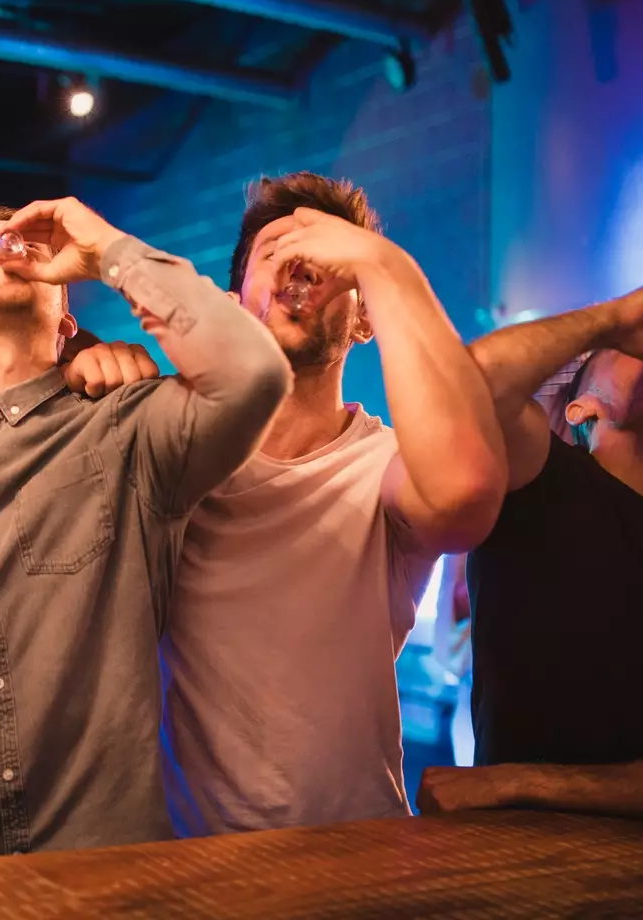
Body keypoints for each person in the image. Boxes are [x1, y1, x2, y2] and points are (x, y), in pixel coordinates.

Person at [0, 195, 293, 860]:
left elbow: (255, 375)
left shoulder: (129, 426)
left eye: (22, 238)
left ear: (66, 317)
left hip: (114, 876)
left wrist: (107, 252)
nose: (9, 241)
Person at [160, 173, 508, 836]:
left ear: (365, 315)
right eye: (273, 254)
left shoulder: (389, 466)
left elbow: (462, 497)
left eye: (326, 259)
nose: (297, 268)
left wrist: (382, 262)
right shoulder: (177, 458)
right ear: (236, 303)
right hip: (190, 867)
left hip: (356, 855)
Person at [417, 277, 643, 818]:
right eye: (635, 346)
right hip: (525, 882)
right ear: (580, 411)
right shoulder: (536, 487)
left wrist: (520, 783)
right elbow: (462, 386)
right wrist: (613, 319)